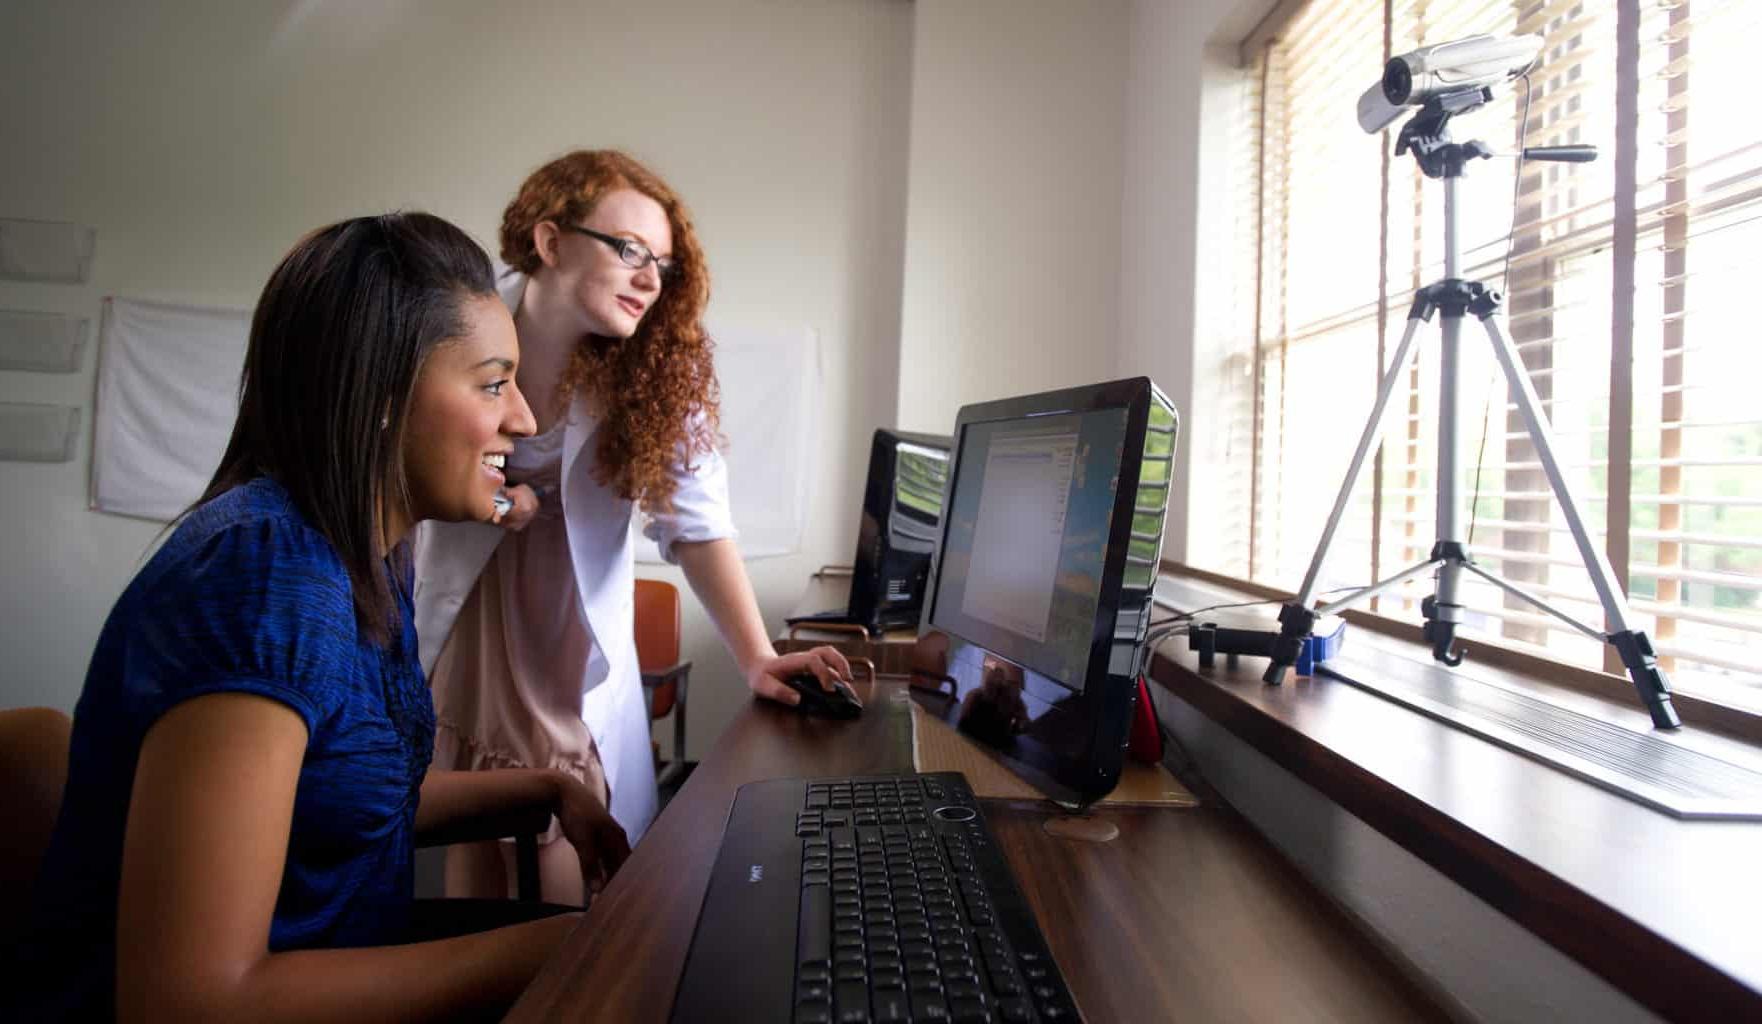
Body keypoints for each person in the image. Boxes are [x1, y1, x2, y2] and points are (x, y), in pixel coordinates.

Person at [21, 213, 629, 1022]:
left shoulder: (369, 555)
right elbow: (189, 1001)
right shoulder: (264, 578)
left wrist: (549, 788)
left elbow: (339, 799)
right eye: (492, 383)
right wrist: (558, 949)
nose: (520, 418)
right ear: (381, 397)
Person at [415, 150, 849, 901]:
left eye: (665, 264)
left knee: (555, 865)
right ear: (550, 243)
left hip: (567, 636)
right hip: (474, 619)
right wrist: (493, 502)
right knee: (477, 851)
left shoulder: (652, 372)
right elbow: (405, 462)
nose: (652, 278)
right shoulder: (454, 324)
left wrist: (755, 658)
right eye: (630, 251)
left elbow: (699, 523)